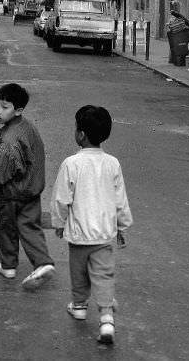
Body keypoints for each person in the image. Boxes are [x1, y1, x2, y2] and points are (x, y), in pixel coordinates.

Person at [51, 105, 132, 346]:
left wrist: (58, 222)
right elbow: (120, 198)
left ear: (81, 134)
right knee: (104, 275)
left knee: (78, 272)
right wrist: (123, 226)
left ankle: (79, 307)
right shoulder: (112, 164)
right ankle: (106, 318)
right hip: (104, 234)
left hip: (79, 234)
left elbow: (61, 198)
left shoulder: (71, 164)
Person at [0, 83, 55, 291]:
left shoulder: (9, 139)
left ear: (18, 110)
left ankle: (8, 266)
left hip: (12, 193)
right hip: (31, 190)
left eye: (4, 107)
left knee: (8, 228)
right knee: (30, 227)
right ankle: (43, 262)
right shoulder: (28, 127)